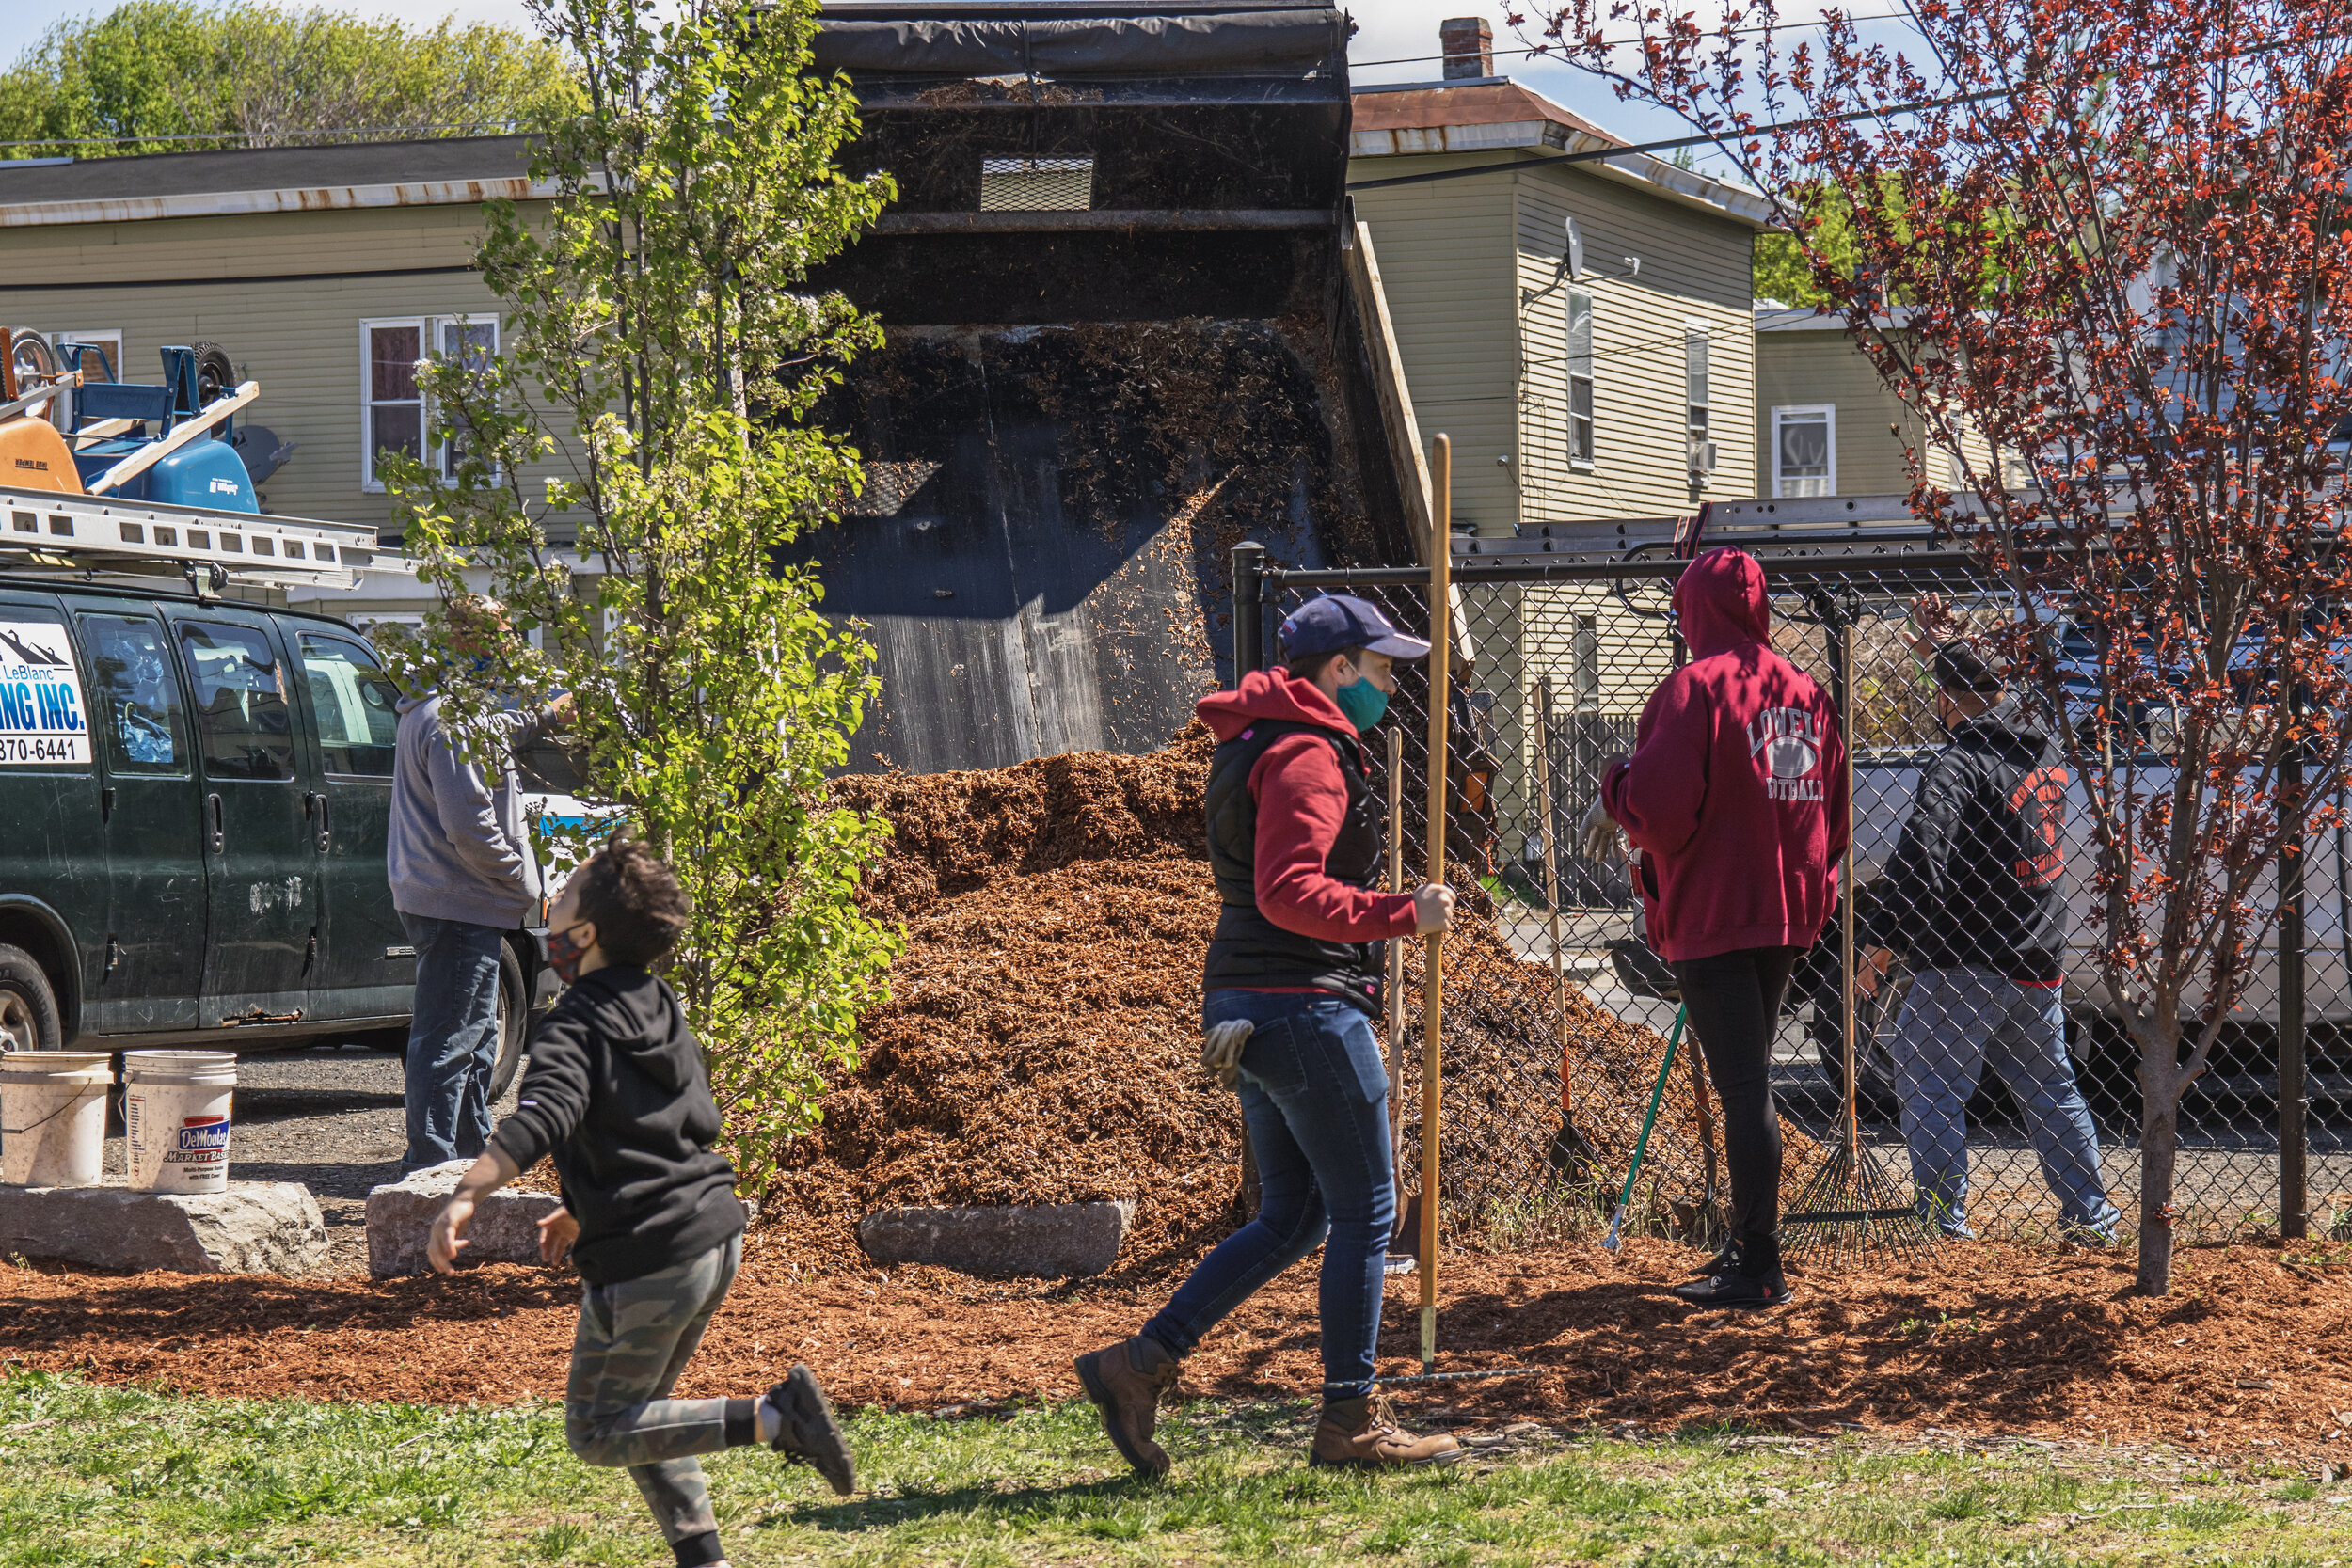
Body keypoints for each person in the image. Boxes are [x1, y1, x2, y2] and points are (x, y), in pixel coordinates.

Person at [1073, 594, 1463, 1475]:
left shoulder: (1257, 739)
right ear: (1337, 670)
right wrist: (1408, 911)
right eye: (1381, 667)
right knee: (1369, 1206)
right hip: (1305, 1003)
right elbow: (1290, 890)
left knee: (1294, 1215)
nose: (1391, 683)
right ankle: (1349, 1418)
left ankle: (1139, 1365)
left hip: (1251, 1000)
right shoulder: (1306, 756)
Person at [427, 839, 854, 1568]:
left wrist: (467, 1190)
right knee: (646, 1413)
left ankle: (775, 1418)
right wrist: (584, 1205)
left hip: (653, 1255)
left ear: (584, 935)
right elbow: (673, 1124)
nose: (550, 905)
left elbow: (546, 1116)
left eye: (560, 900)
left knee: (599, 1428)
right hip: (714, 1234)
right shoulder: (658, 1003)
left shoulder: (572, 1024)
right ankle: (705, 1558)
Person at [1580, 546, 1847, 1309]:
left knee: (1744, 1085)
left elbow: (1660, 808)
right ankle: (1749, 1247)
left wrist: (1614, 790)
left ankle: (1759, 1262)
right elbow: (1835, 806)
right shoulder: (1804, 691)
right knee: (1750, 1074)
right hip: (1788, 912)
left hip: (1715, 910)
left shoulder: (1693, 688)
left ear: (1695, 609)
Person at [1861, 604, 2120, 1243]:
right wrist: (1946, 651)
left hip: (1964, 961)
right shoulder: (2046, 745)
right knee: (2049, 1087)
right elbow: (1989, 689)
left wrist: (1882, 942)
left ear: (1947, 700)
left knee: (1928, 1080)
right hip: (2035, 956)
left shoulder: (1958, 764)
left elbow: (1921, 856)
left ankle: (1943, 1222)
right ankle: (2093, 1216)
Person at [389, 597, 565, 1175]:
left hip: (457, 898)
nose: (511, 647)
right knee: (449, 1036)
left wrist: (548, 714)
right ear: (469, 644)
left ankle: (469, 1148)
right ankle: (434, 1165)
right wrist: (525, 884)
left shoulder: (446, 711)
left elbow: (495, 730)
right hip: (460, 898)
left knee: (477, 1031)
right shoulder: (449, 720)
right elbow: (471, 829)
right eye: (502, 636)